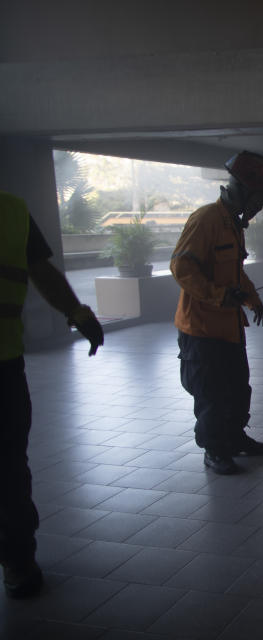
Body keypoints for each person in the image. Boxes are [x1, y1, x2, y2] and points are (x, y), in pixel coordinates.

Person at [1, 190, 104, 598]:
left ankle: (17, 559)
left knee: (8, 471)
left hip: (4, 364)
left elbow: (39, 269)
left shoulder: (12, 209)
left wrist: (77, 312)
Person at [170, 151, 263, 475]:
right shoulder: (205, 220)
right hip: (201, 330)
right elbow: (181, 267)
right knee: (212, 394)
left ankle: (235, 438)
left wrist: (253, 301)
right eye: (259, 198)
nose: (262, 206)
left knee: (237, 388)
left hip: (229, 327)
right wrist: (218, 296)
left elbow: (236, 274)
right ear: (242, 191)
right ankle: (214, 450)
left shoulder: (233, 226)